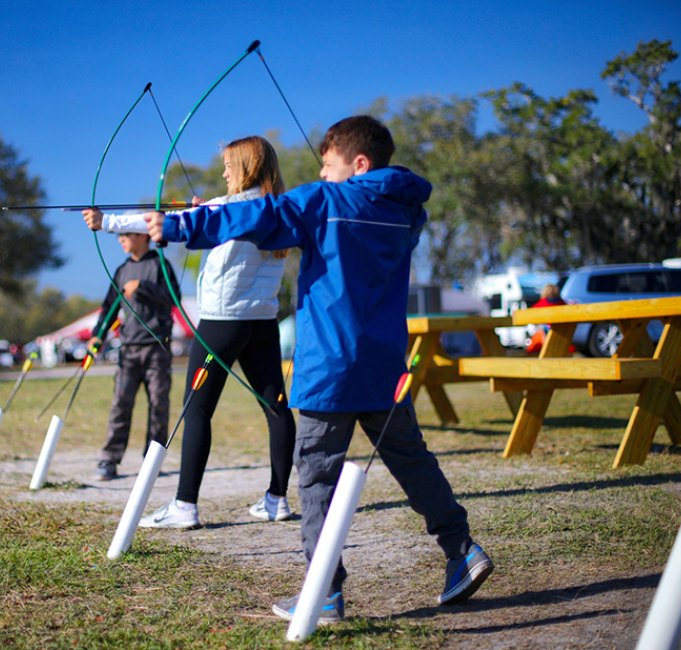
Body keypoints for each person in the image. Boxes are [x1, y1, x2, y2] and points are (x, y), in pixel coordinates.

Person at [144, 116, 493, 622]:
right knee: (411, 460)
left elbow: (261, 215)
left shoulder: (325, 202)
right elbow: (271, 216)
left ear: (359, 164)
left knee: (316, 478)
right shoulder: (405, 212)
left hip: (330, 369)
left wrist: (179, 225)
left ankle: (324, 592)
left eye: (328, 166)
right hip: (384, 366)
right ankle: (461, 549)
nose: (323, 175)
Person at [83, 135, 297, 528]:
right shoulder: (278, 209)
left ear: (246, 168)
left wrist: (107, 221)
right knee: (276, 407)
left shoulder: (227, 207)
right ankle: (277, 500)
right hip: (262, 321)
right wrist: (208, 212)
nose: (223, 172)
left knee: (196, 410)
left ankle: (185, 506)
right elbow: (209, 222)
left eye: (229, 166)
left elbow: (170, 224)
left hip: (221, 324)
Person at [91, 230, 180, 481]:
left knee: (158, 405)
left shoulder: (160, 265)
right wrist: (98, 334)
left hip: (157, 349)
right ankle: (109, 459)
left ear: (142, 236)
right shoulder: (121, 270)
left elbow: (173, 297)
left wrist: (143, 287)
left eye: (126, 234)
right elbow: (109, 306)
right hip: (128, 350)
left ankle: (152, 461)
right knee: (120, 404)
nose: (121, 239)